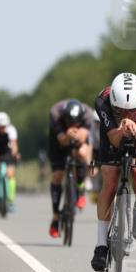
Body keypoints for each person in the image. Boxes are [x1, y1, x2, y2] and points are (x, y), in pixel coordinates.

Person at [90, 72, 136, 272]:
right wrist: (121, 127)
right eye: (119, 111)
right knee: (110, 177)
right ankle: (101, 245)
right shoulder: (102, 101)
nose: (126, 115)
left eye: (131, 112)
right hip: (111, 133)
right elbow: (114, 139)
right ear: (112, 104)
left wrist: (134, 128)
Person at [47, 98, 95, 238]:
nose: (74, 124)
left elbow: (84, 137)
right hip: (58, 138)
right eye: (71, 122)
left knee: (81, 153)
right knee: (57, 175)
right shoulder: (55, 113)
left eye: (76, 123)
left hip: (79, 136)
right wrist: (66, 134)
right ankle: (56, 218)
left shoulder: (87, 114)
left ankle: (80, 187)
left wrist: (78, 135)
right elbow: (62, 140)